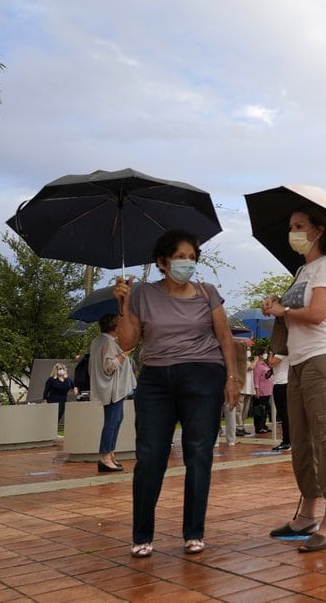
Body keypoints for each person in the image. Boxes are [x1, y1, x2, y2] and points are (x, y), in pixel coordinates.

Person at [113, 229, 240, 558]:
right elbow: (127, 342)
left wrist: (232, 377)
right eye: (180, 257)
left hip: (203, 375)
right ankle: (142, 534)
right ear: (162, 262)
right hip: (156, 380)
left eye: (192, 257)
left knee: (199, 454)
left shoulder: (206, 292)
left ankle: (193, 532)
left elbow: (225, 338)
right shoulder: (141, 294)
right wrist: (123, 304)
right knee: (150, 457)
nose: (188, 263)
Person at [264, 206, 326, 553]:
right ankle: (307, 514)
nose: (293, 232)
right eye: (291, 225)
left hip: (323, 360)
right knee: (300, 442)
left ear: (318, 231)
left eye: (300, 226)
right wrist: (275, 305)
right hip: (298, 364)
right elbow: (292, 315)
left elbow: (316, 314)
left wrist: (285, 310)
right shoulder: (302, 270)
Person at [89, 313, 136, 473]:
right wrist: (124, 354)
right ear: (115, 327)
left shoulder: (98, 340)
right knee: (112, 422)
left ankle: (110, 453)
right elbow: (109, 367)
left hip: (110, 389)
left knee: (116, 419)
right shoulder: (108, 342)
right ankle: (105, 457)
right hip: (113, 389)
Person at [269, 351, 291, 451]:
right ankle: (288, 440)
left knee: (284, 414)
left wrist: (270, 354)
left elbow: (272, 363)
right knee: (286, 414)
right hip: (284, 382)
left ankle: (287, 441)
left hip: (281, 383)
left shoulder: (280, 353)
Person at [235, 346, 256, 437]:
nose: (248, 351)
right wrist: (256, 359)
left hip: (249, 389)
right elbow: (250, 367)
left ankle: (242, 426)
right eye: (247, 349)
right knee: (239, 409)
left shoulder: (249, 361)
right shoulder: (240, 361)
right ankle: (238, 427)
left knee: (245, 410)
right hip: (242, 389)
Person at [251, 348, 273, 434]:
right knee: (260, 409)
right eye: (265, 353)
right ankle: (259, 427)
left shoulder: (264, 364)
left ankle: (263, 425)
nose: (266, 355)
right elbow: (256, 378)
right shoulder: (258, 365)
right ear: (260, 355)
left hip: (267, 390)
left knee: (265, 409)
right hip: (261, 390)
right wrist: (257, 389)